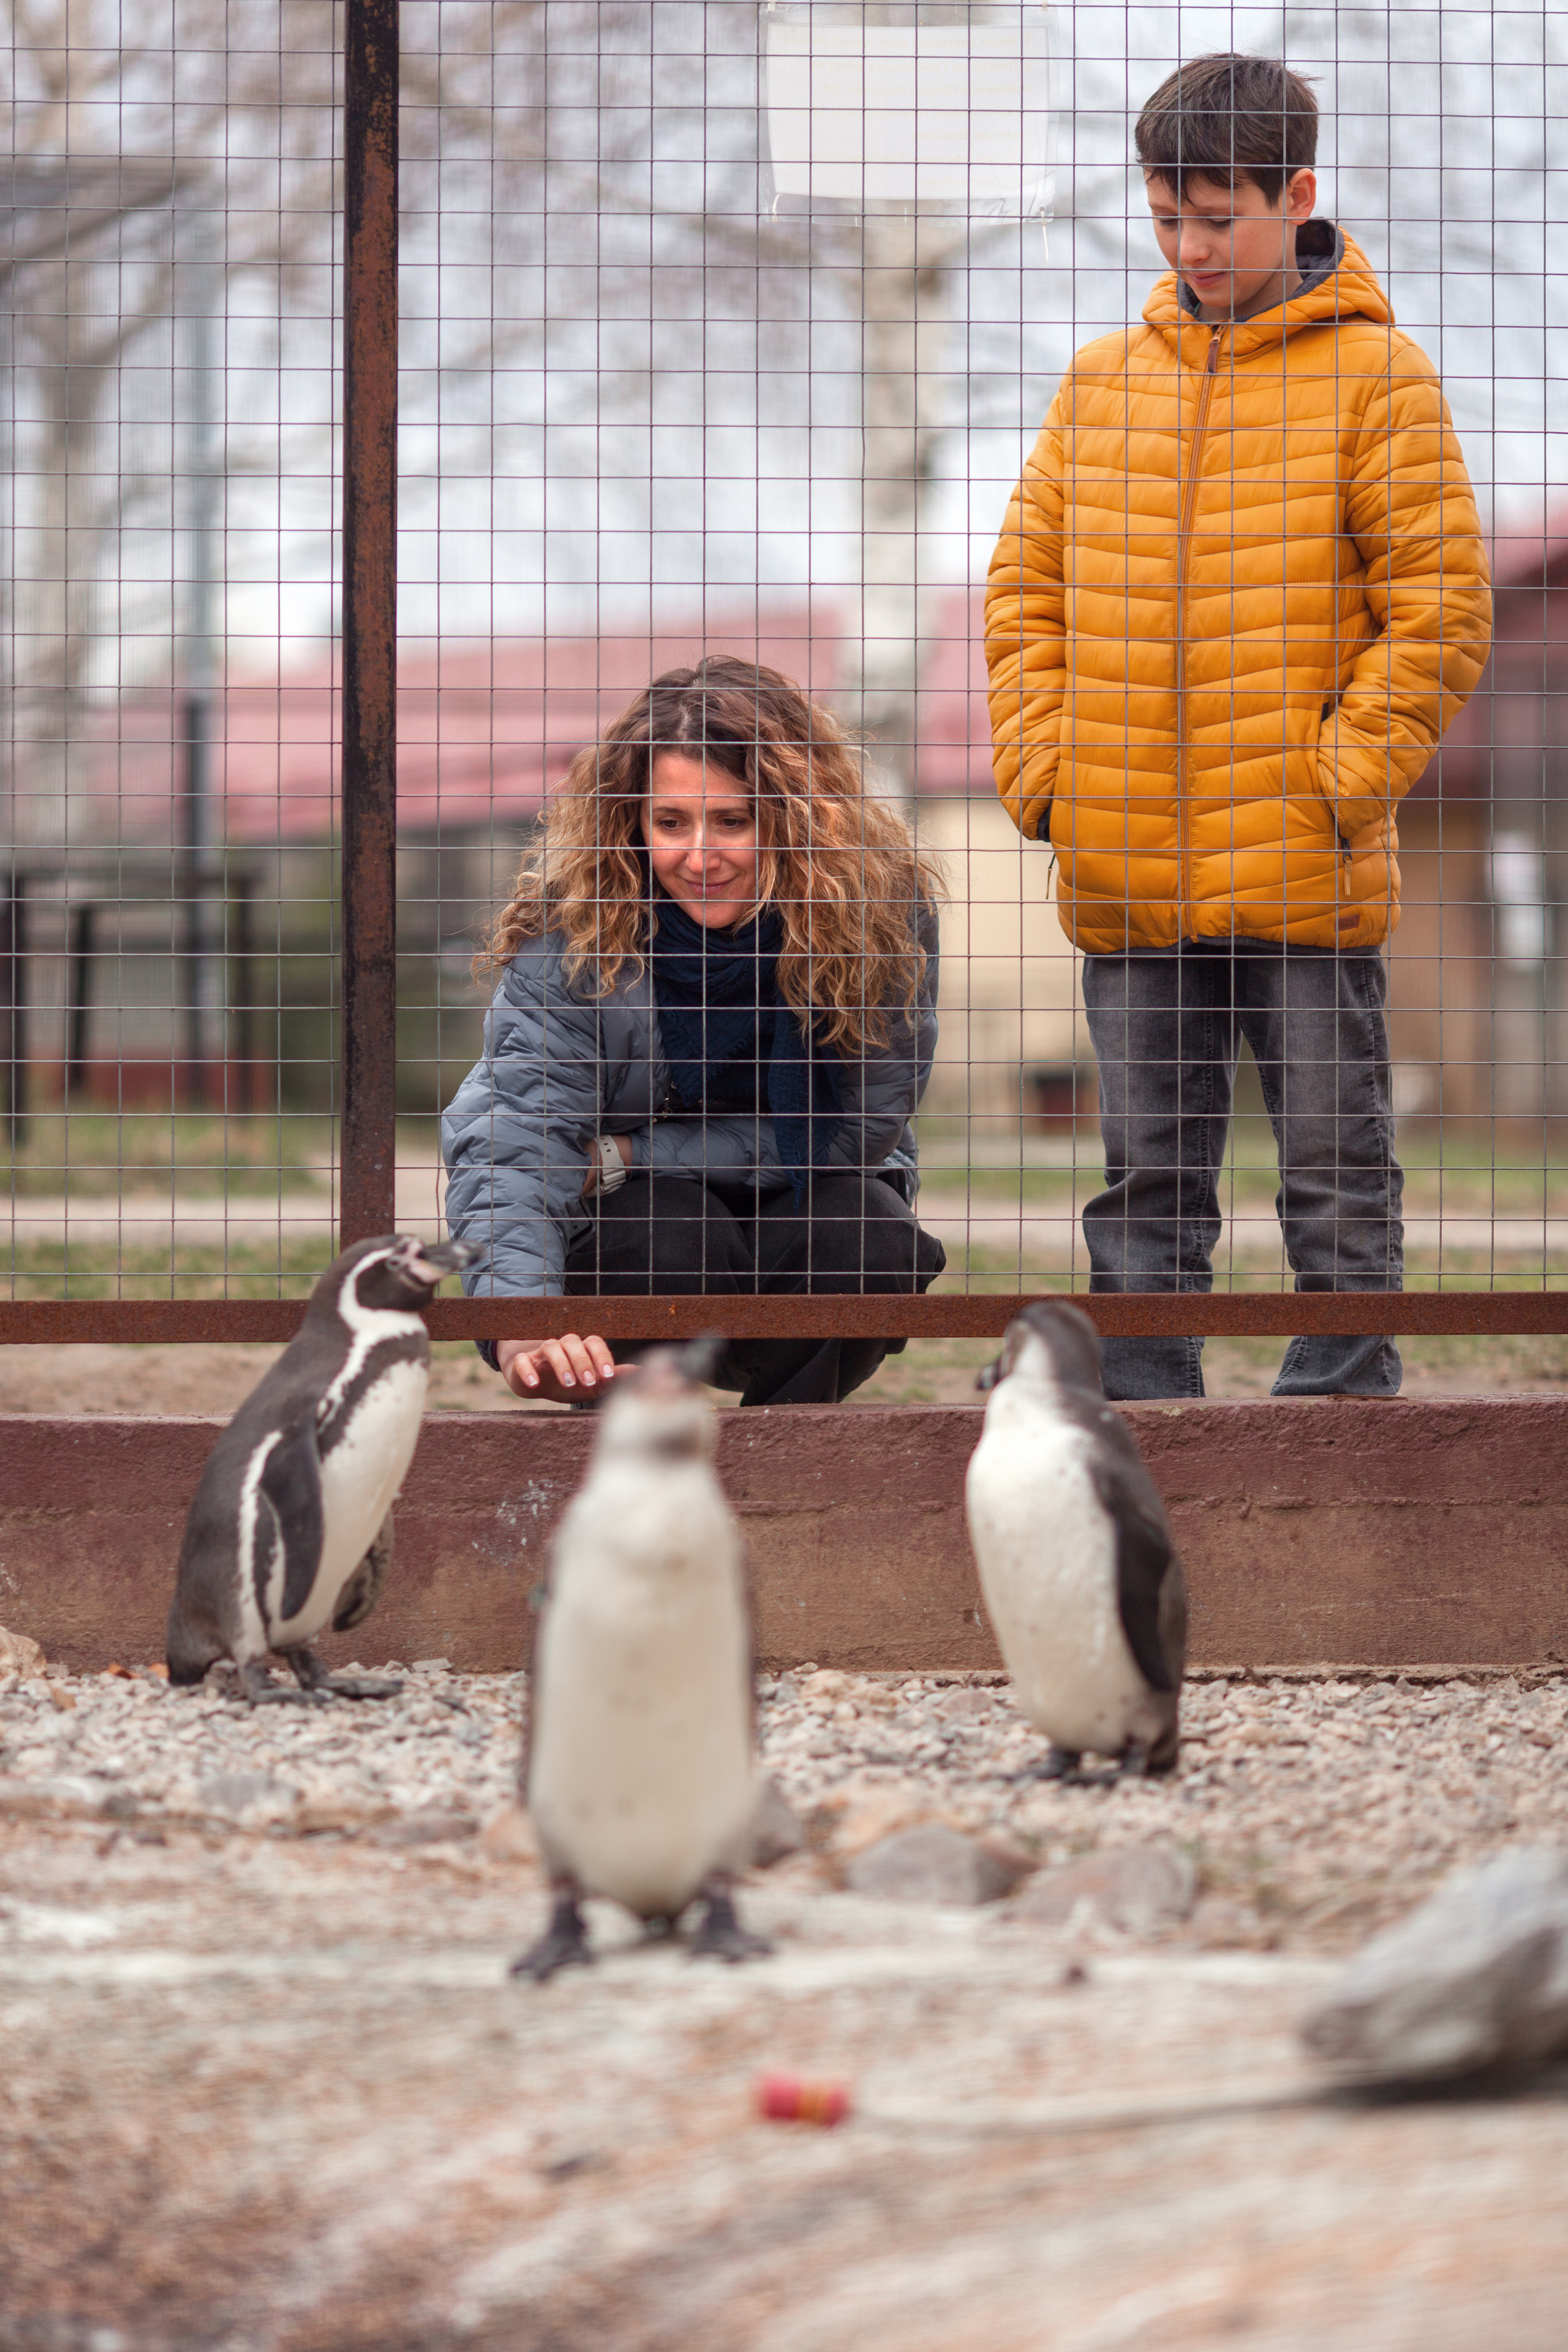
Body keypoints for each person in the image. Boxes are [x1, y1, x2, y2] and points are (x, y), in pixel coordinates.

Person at [984, 51, 1493, 1401]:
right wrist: (1047, 777)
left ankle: (1340, 1422)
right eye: (1167, 219)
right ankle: (1142, 1420)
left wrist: (1337, 780)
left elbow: (1438, 610)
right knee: (1144, 1173)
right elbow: (1020, 595)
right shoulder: (1099, 385)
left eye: (1218, 217)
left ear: (1297, 195)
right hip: (1126, 859)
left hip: (1301, 857)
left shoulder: (1378, 377)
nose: (1192, 246)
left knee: (1332, 1162)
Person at [442, 657, 946, 1408]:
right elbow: (518, 1136)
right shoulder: (578, 931)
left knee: (868, 1230)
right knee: (674, 1229)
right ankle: (640, 1422)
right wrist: (521, 1322)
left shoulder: (879, 915)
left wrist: (628, 1153)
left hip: (800, 1198)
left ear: (798, 816)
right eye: (670, 822)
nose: (699, 857)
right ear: (630, 821)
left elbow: (852, 1134)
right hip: (644, 1229)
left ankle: (789, 1451)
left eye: (734, 821)